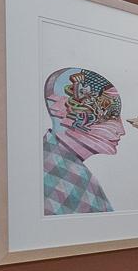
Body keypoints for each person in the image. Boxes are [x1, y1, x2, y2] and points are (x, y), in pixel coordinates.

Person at [41, 67, 124, 215]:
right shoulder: (63, 178)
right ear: (64, 111)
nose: (121, 130)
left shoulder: (57, 164)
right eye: (110, 115)